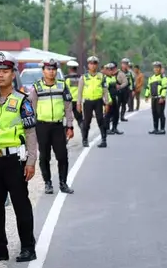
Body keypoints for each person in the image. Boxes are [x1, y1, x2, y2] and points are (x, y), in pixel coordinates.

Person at [0, 51, 38, 263]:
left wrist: (31, 161)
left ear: (13, 74)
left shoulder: (23, 100)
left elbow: (30, 134)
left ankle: (28, 247)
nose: (0, 75)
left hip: (15, 161)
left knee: (21, 205)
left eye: (5, 71)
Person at [29, 58, 74, 195]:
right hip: (42, 126)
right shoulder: (37, 87)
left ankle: (63, 183)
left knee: (62, 156)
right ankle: (48, 183)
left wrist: (70, 126)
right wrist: (31, 130)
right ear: (43, 71)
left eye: (54, 69)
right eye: (48, 69)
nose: (51, 72)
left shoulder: (62, 85)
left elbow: (68, 107)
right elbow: (32, 108)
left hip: (58, 127)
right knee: (44, 156)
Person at [75, 56, 109, 148]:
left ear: (97, 65)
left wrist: (107, 103)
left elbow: (105, 90)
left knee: (100, 120)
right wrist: (78, 103)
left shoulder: (101, 76)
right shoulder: (84, 77)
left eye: (94, 63)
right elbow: (80, 91)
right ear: (88, 65)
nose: (93, 65)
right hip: (88, 102)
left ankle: (104, 140)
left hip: (98, 101)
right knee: (87, 121)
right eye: (91, 63)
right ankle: (85, 139)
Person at [144, 61, 167, 134]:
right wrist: (146, 95)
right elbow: (148, 87)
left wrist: (162, 97)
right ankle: (155, 128)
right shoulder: (151, 78)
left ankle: (162, 129)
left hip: (160, 98)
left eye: (157, 67)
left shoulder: (163, 77)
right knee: (154, 113)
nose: (156, 69)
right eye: (154, 67)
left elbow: (164, 88)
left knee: (160, 113)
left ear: (160, 68)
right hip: (153, 98)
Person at [103, 62, 125, 136]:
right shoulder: (105, 79)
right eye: (109, 70)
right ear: (107, 70)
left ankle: (114, 128)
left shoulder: (113, 78)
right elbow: (106, 91)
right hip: (109, 99)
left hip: (115, 98)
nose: (111, 71)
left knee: (116, 114)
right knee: (108, 114)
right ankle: (107, 129)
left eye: (112, 69)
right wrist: (108, 100)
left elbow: (116, 87)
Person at [64, 60, 83, 128]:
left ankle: (66, 135)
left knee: (67, 119)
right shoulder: (81, 77)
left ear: (69, 69)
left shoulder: (66, 78)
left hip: (69, 102)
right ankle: (84, 136)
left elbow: (64, 90)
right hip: (78, 101)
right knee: (80, 119)